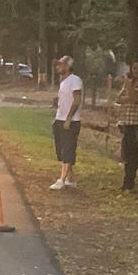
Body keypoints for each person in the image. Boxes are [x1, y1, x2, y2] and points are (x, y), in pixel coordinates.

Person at [113, 58, 138, 192]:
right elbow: (118, 99)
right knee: (129, 156)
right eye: (134, 68)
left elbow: (136, 99)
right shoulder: (130, 83)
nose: (136, 71)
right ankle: (128, 184)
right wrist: (129, 93)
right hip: (127, 123)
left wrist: (129, 88)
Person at [50, 56, 83, 190]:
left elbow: (76, 100)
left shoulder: (75, 80)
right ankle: (70, 178)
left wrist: (69, 117)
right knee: (61, 150)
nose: (57, 67)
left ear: (67, 66)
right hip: (60, 118)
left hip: (70, 120)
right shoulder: (64, 81)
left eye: (60, 65)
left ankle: (62, 179)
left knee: (68, 149)